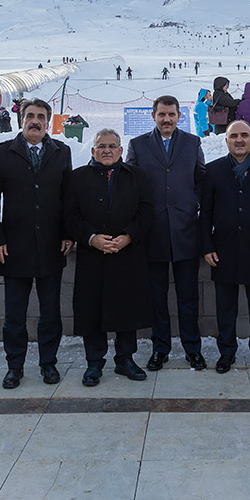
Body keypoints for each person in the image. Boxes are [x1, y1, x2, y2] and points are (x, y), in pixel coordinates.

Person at [0, 98, 73, 389]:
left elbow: (68, 197)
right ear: (21, 119)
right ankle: (15, 366)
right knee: (14, 314)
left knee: (50, 312)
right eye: (30, 116)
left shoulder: (62, 152)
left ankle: (48, 363)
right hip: (15, 246)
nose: (35, 121)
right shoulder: (1, 154)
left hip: (50, 245)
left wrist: (67, 232)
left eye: (41, 117)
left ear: (48, 122)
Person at [65, 128, 154, 386]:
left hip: (128, 255)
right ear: (93, 150)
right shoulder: (77, 178)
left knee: (127, 308)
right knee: (91, 310)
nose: (107, 150)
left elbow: (147, 212)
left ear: (120, 150)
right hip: (93, 256)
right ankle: (94, 363)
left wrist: (128, 236)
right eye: (101, 146)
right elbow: (70, 216)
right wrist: (92, 238)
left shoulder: (137, 177)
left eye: (112, 146)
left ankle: (125, 359)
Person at [126, 96, 206, 371]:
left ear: (179, 116)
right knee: (156, 298)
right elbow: (131, 183)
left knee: (188, 298)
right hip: (153, 234)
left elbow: (201, 178)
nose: (167, 119)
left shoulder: (192, 143)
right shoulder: (138, 145)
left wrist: (192, 203)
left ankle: (192, 349)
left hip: (185, 232)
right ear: (153, 116)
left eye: (172, 114)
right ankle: (160, 349)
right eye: (162, 114)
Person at [201, 121, 250, 374]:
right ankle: (226, 352)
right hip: (223, 251)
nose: (239, 140)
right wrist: (207, 245)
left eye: (245, 135)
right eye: (234, 136)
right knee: (225, 308)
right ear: (226, 141)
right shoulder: (212, 171)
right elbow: (206, 213)